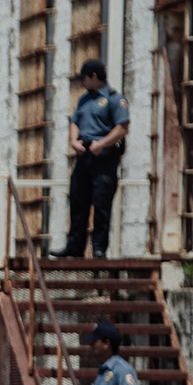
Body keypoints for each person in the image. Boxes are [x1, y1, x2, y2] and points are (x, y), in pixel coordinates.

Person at [50, 59, 130, 259]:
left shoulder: (114, 99)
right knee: (78, 200)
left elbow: (122, 127)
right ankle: (74, 246)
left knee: (101, 202)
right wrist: (73, 140)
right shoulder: (84, 100)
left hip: (104, 156)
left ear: (94, 76)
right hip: (85, 154)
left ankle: (99, 248)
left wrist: (102, 144)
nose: (82, 83)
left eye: (84, 78)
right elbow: (74, 121)